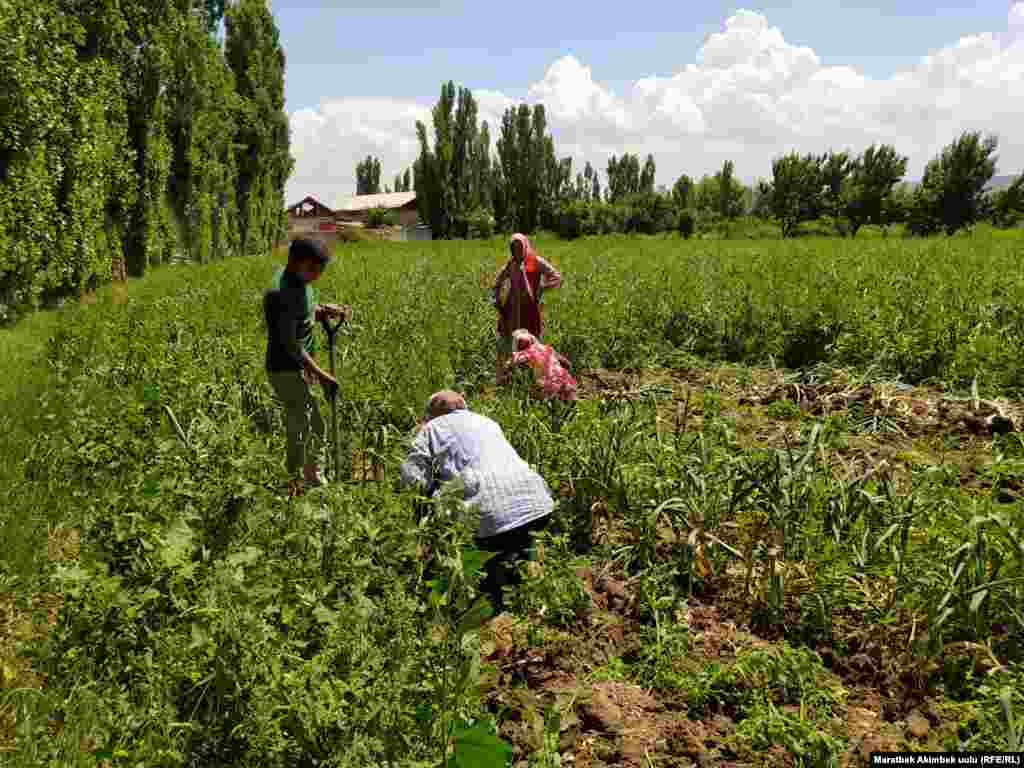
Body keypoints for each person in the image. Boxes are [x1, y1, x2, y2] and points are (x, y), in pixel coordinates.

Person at [399, 390, 554, 614]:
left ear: (431, 414)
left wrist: (424, 513)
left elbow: (412, 480)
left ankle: (481, 596)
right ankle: (530, 585)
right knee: (519, 542)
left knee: (483, 549)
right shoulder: (487, 422)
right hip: (539, 504)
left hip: (489, 518)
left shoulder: (431, 430)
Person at [263, 238, 349, 497]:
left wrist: (322, 310)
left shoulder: (300, 283)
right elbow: (291, 344)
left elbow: (305, 313)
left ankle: (305, 478)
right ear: (294, 262)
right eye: (314, 269)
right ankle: (302, 483)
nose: (318, 275)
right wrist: (323, 376)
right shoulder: (283, 292)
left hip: (300, 366)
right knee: (307, 426)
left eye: (320, 270)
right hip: (286, 368)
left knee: (307, 423)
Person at [491, 234, 562, 385]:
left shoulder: (535, 261)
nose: (516, 251)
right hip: (511, 309)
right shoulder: (511, 264)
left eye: (519, 247)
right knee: (508, 341)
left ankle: (534, 376)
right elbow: (497, 282)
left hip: (529, 309)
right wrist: (496, 298)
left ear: (525, 246)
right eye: (513, 248)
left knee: (531, 341)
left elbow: (555, 276)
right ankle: (508, 377)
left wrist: (542, 288)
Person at [509, 329, 578, 401]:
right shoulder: (547, 348)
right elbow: (566, 363)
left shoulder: (523, 354)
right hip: (565, 381)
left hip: (548, 386)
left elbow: (511, 365)